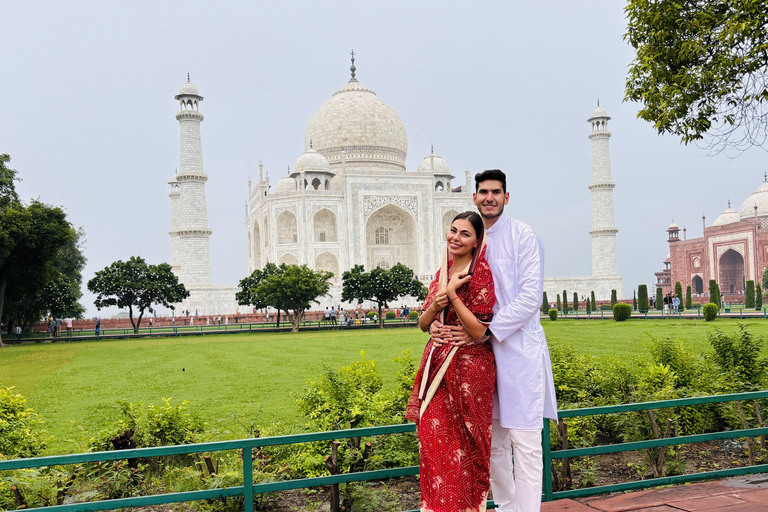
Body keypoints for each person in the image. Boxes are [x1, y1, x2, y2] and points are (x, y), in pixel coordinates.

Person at [431, 170, 558, 512]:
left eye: (496, 192)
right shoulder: (470, 239)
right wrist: (436, 325)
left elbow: (531, 298)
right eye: (483, 192)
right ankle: (505, 506)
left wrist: (489, 329)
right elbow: (449, 292)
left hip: (517, 349)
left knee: (526, 439)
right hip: (478, 356)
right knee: (494, 440)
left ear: (506, 196)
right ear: (474, 197)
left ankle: (527, 509)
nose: (489, 197)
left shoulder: (523, 236)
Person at [406, 211, 496, 512]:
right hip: (437, 370)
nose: (456, 238)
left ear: (476, 241)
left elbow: (479, 330)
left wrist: (453, 295)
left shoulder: (480, 273)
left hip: (471, 372)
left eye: (465, 234)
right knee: (435, 445)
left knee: (467, 448)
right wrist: (435, 306)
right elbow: (422, 323)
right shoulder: (442, 270)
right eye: (453, 231)